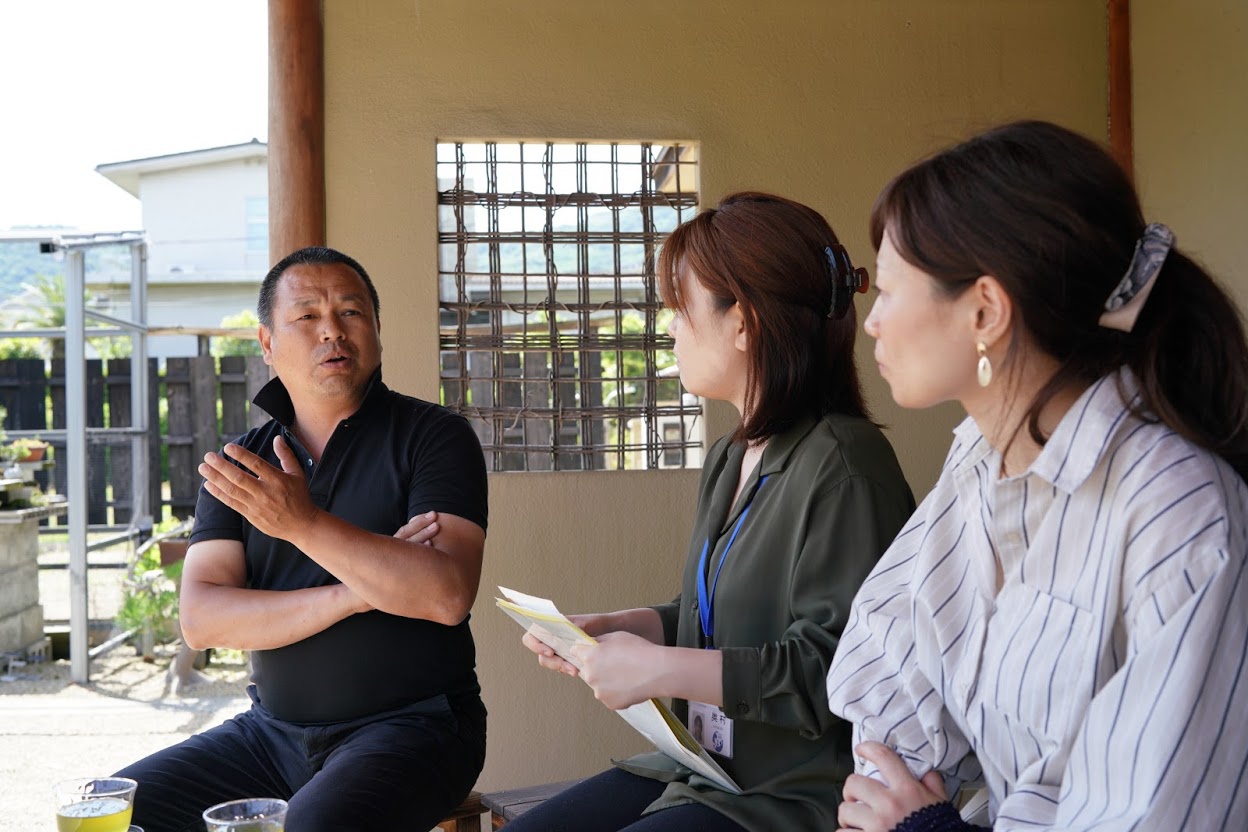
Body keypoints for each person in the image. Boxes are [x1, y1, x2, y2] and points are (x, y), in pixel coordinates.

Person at [826, 121, 1248, 831]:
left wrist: (927, 829)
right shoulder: (979, 462)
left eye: (890, 290)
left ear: (985, 311)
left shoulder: (1177, 511)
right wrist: (887, 793)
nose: (872, 324)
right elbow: (890, 674)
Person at [509, 192, 916, 832]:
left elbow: (836, 669)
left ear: (744, 321)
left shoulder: (844, 462)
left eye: (680, 306)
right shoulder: (732, 454)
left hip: (789, 797)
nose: (668, 325)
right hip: (701, 767)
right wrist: (620, 626)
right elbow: (715, 617)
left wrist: (659, 670)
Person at [115, 246, 490, 832]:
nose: (332, 332)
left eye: (351, 313)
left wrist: (302, 524)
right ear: (267, 343)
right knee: (113, 807)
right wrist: (359, 591)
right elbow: (204, 619)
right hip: (269, 735)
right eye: (307, 316)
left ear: (378, 331)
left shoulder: (434, 436)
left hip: (416, 727)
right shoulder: (241, 466)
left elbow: (443, 596)